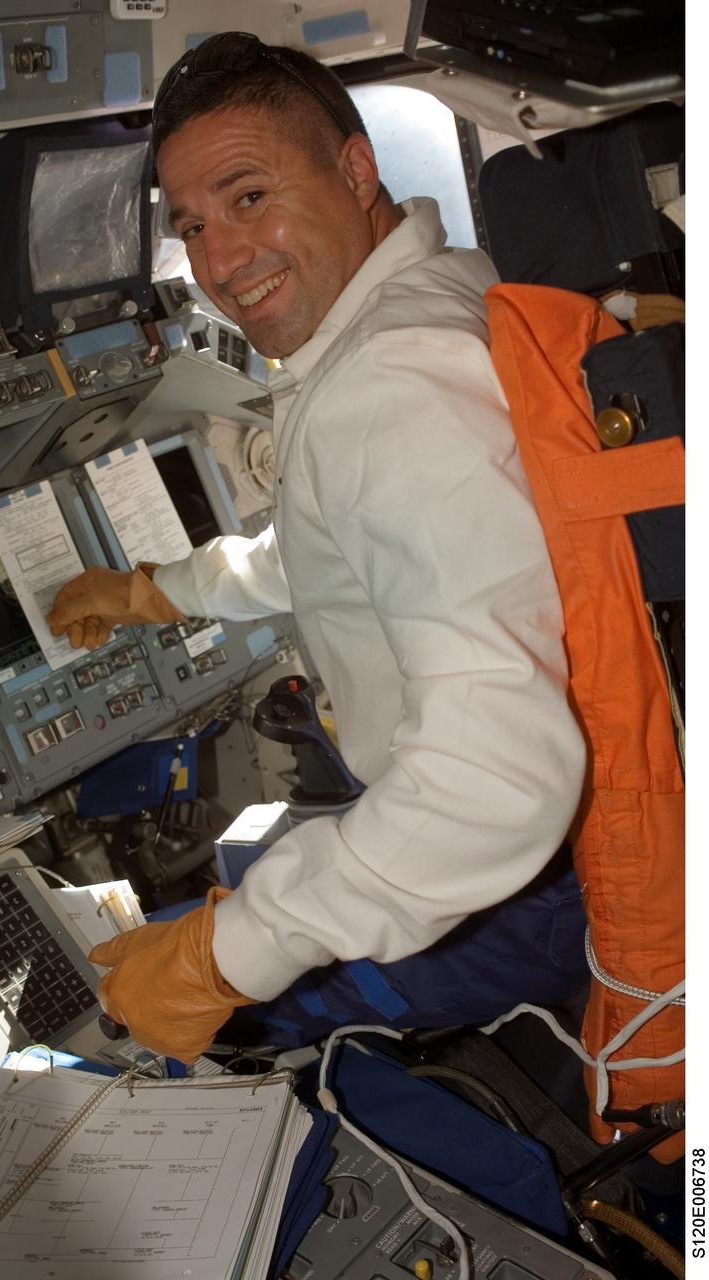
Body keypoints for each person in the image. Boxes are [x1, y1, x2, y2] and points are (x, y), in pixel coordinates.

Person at [48, 32, 588, 1063]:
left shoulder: (388, 391)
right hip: (523, 854)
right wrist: (161, 590)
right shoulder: (434, 303)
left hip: (523, 890)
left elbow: (492, 778)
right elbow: (337, 547)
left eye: (249, 196)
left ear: (354, 167)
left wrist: (232, 955)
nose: (220, 261)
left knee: (135, 1018)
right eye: (194, 225)